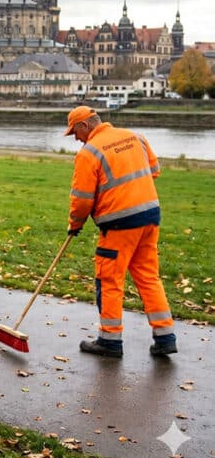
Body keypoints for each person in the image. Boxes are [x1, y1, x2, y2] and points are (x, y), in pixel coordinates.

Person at [64, 106, 176, 358]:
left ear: (85, 126)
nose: (75, 138)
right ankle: (165, 337)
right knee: (148, 277)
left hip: (119, 225)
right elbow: (154, 170)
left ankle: (110, 340)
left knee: (109, 280)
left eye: (74, 132)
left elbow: (82, 200)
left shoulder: (89, 153)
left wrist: (75, 224)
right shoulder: (136, 137)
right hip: (150, 216)